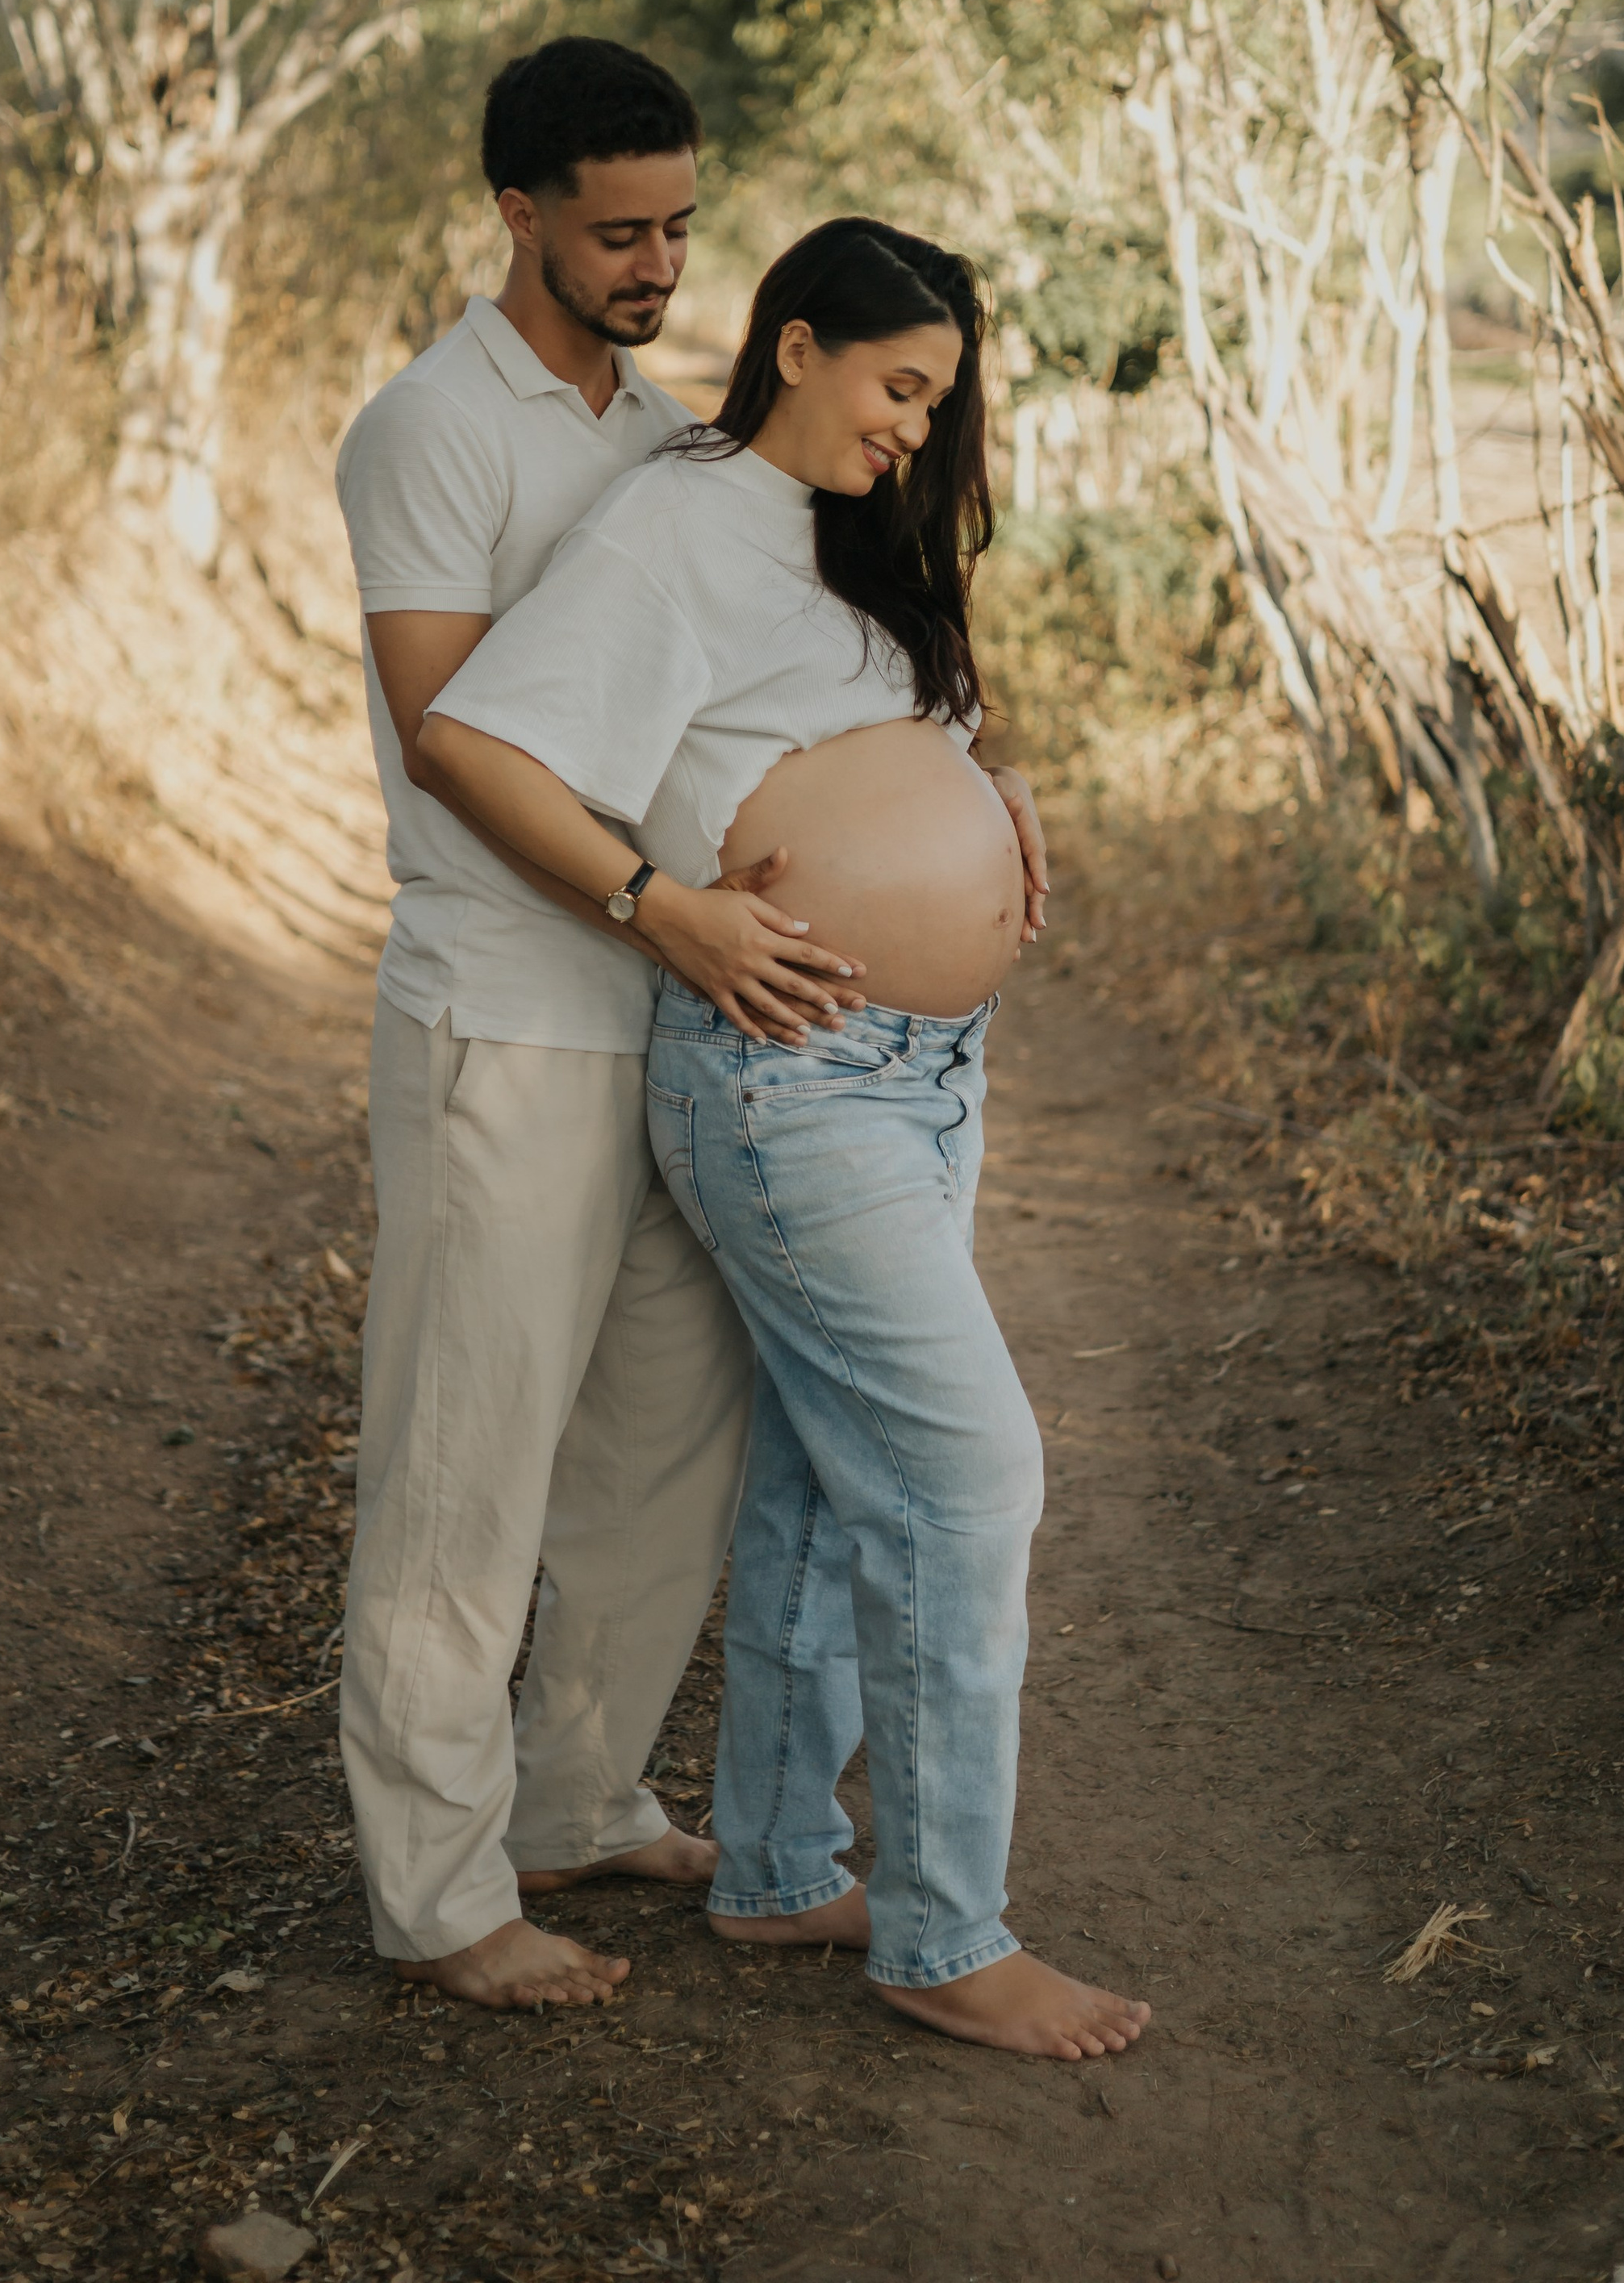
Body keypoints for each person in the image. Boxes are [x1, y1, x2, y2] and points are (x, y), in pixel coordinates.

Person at [418, 216, 1151, 2061]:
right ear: (800, 343)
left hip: (925, 1069)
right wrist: (663, 904)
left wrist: (992, 790)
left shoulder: (857, 536)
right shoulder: (677, 521)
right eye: (898, 388)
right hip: (782, 1078)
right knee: (968, 1478)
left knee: (833, 1481)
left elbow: (885, 729)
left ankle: (769, 1865)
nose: (913, 430)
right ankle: (941, 1931)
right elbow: (476, 742)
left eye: (936, 406)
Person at [333, 38, 863, 2018]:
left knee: (664, 1441)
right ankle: (439, 1889)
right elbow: (455, 749)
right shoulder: (428, 430)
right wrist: (664, 910)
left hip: (674, 1013)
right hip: (508, 1013)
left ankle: (570, 1793)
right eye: (617, 229)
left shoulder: (661, 441)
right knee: (463, 1467)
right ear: (519, 213)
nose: (654, 264)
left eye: (676, 227)